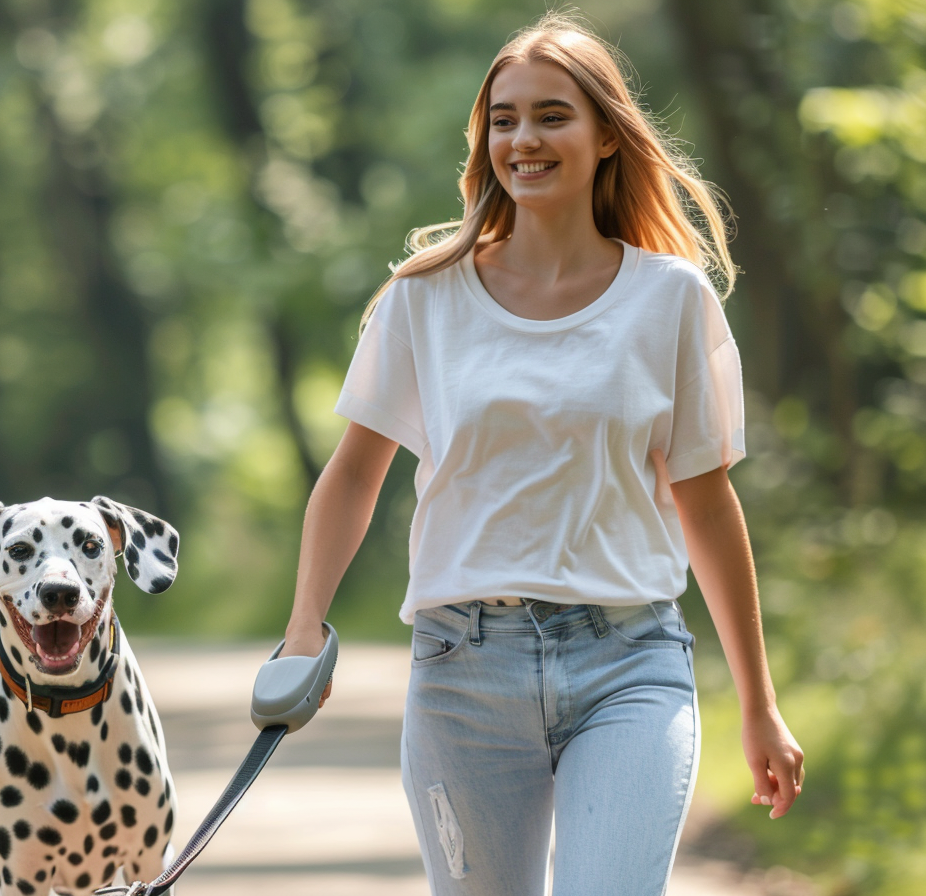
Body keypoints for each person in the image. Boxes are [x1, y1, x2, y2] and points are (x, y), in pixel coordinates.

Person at [279, 13, 805, 896]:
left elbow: (707, 501)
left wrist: (759, 703)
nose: (523, 139)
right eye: (504, 119)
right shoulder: (425, 298)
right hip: (461, 674)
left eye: (552, 116)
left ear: (607, 136)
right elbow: (355, 474)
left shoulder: (671, 300)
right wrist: (303, 630)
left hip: (628, 663)